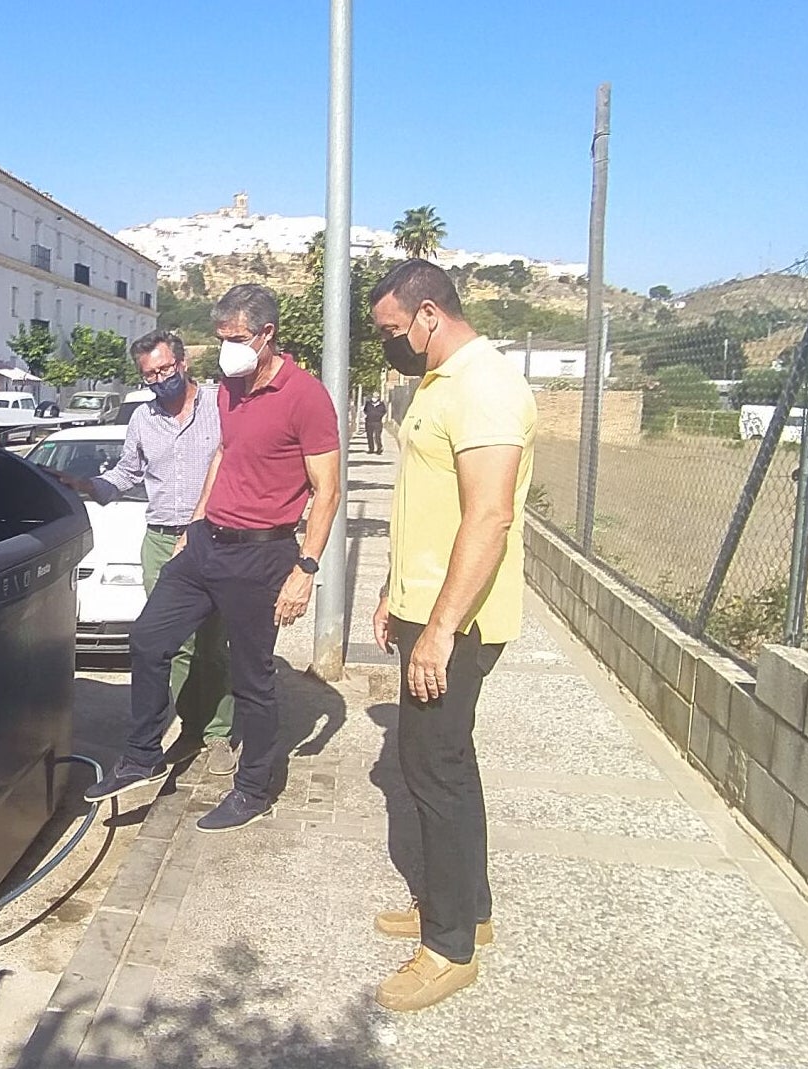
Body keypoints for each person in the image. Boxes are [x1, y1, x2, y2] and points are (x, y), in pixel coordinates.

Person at [82, 284, 342, 834]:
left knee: (251, 678)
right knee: (148, 639)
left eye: (237, 338)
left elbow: (328, 490)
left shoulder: (307, 396)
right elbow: (223, 453)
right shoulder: (230, 389)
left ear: (267, 334)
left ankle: (253, 788)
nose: (228, 349)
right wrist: (196, 523)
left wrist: (306, 569)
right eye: (221, 337)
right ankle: (142, 756)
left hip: (263, 554)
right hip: (205, 543)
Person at [365, 259, 536, 1012]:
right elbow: (427, 505)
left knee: (433, 770)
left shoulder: (485, 386)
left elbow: (489, 517)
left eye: (392, 329)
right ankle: (465, 906)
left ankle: (449, 948)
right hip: (427, 608)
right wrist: (393, 592)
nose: (389, 342)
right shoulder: (440, 382)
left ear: (429, 314)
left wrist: (439, 630)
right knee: (445, 764)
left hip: (457, 620)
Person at [52, 331, 236, 774]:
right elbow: (127, 472)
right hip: (160, 541)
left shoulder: (220, 405)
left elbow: (238, 461)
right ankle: (192, 728)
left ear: (183, 363)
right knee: (172, 643)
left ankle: (219, 734)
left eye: (165, 369)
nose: (159, 379)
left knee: (214, 642)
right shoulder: (143, 419)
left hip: (215, 538)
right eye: (149, 374)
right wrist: (87, 485)